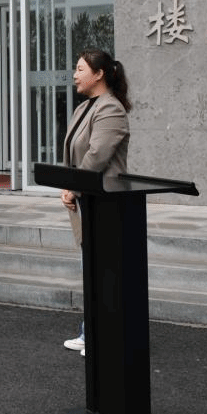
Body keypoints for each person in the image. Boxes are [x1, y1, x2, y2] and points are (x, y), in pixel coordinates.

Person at [60, 48, 131, 356]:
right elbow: (75, 154)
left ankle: (105, 337)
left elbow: (97, 156)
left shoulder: (111, 109)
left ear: (99, 74)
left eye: (80, 69)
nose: (75, 75)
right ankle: (90, 331)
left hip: (105, 203)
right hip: (86, 200)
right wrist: (68, 186)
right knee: (92, 270)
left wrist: (73, 188)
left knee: (105, 272)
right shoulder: (85, 108)